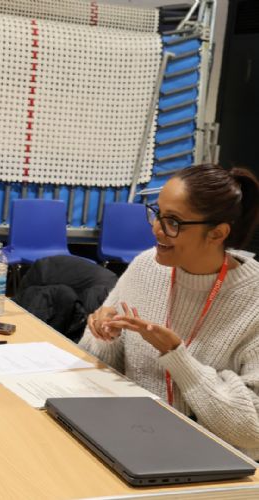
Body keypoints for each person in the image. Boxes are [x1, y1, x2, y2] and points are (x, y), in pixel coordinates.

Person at [79, 164, 259, 459]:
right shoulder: (145, 266)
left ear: (217, 233)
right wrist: (105, 334)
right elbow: (92, 363)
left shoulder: (253, 298)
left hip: (208, 459)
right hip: (129, 437)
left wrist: (178, 357)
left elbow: (252, 431)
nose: (156, 229)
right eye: (157, 213)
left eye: (173, 221)